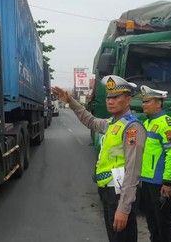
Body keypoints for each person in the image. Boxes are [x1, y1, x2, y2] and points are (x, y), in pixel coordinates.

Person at [52, 76, 146, 242]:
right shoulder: (112, 123)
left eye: (116, 97)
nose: (110, 101)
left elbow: (133, 171)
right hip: (108, 192)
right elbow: (90, 120)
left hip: (119, 195)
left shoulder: (132, 127)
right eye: (109, 97)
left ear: (128, 99)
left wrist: (124, 208)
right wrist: (71, 101)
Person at [138, 85, 171, 242]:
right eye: (143, 101)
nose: (144, 105)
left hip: (160, 183)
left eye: (147, 101)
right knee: (151, 222)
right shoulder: (147, 122)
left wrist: (168, 181)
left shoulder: (168, 125)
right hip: (146, 180)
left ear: (159, 103)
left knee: (164, 223)